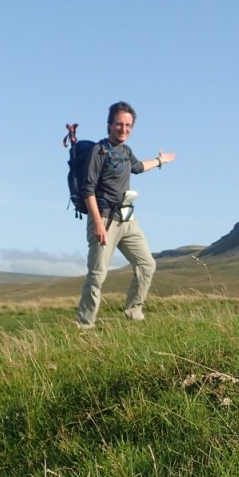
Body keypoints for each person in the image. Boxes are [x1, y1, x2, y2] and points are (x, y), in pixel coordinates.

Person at [76, 101, 176, 327]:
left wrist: (161, 160)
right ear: (109, 125)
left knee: (147, 264)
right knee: (97, 275)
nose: (124, 129)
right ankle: (84, 325)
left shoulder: (126, 151)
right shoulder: (98, 151)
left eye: (128, 125)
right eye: (119, 124)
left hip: (128, 219)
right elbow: (87, 189)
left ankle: (133, 312)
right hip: (103, 219)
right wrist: (98, 224)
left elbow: (138, 167)